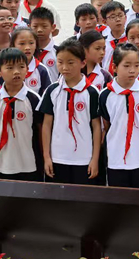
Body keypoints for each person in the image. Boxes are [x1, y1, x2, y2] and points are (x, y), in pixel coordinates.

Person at [39, 39, 102, 185]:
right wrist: (47, 157)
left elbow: (97, 127)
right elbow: (47, 125)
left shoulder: (91, 92)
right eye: (60, 62)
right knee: (58, 196)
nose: (64, 67)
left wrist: (95, 159)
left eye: (71, 62)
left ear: (83, 63)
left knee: (82, 196)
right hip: (57, 157)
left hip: (84, 158)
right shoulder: (52, 90)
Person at [99, 43, 139, 189]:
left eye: (136, 66)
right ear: (114, 67)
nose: (132, 70)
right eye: (126, 66)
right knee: (120, 199)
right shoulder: (105, 94)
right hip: (116, 158)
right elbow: (106, 124)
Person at [0, 48, 43, 181]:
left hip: (28, 162)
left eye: (21, 67)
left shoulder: (33, 99)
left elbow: (41, 129)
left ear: (27, 69)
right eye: (10, 68)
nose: (16, 72)